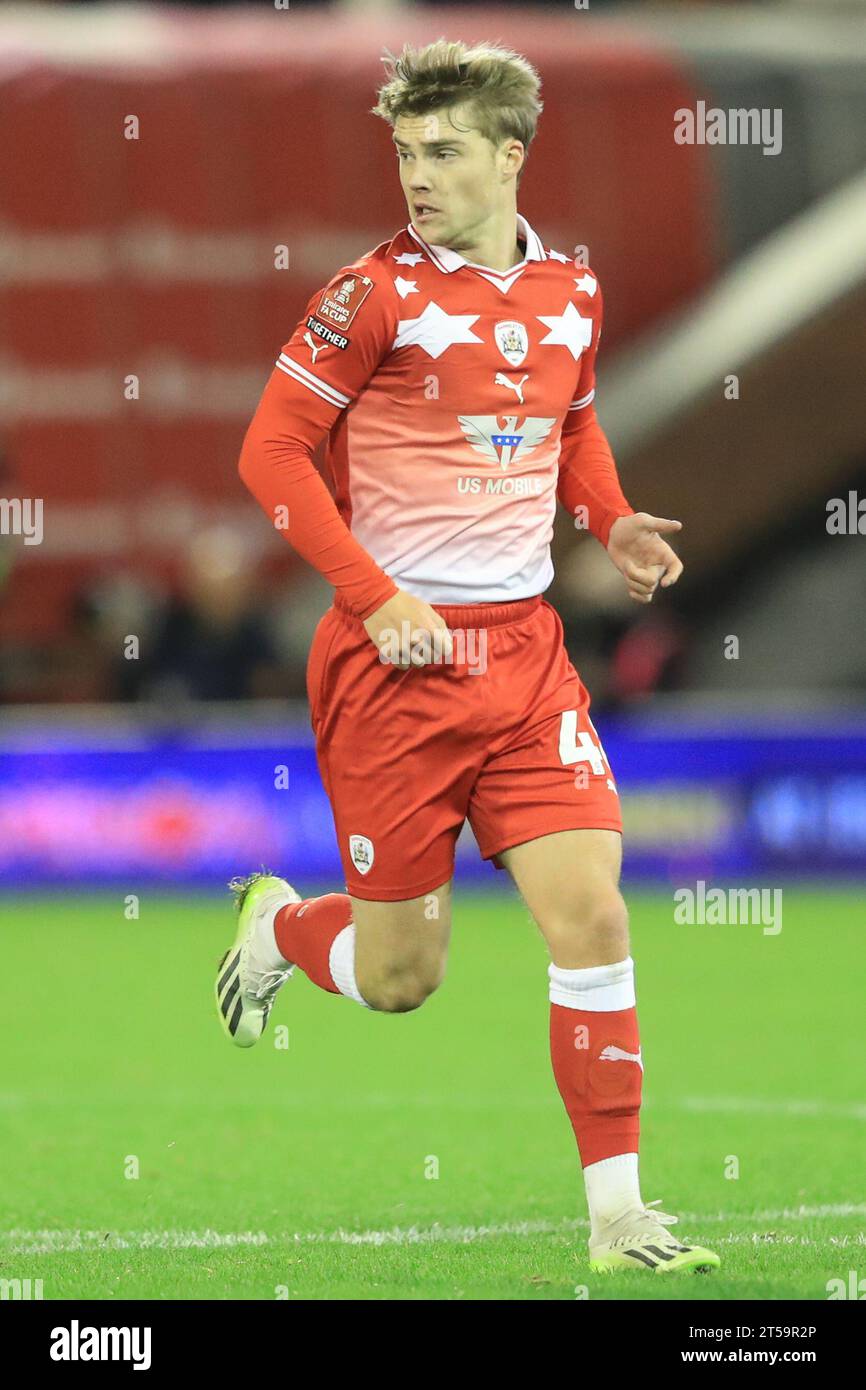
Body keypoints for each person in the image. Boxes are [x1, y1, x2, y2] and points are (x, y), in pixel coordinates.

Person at [216, 39, 718, 1275]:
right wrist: (373, 595)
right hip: (393, 667)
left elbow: (574, 418)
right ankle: (281, 931)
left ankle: (618, 1218)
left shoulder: (572, 290)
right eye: (403, 151)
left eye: (441, 151)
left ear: (509, 154)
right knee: (398, 980)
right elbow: (268, 457)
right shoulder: (367, 295)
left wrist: (608, 519)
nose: (416, 175)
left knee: (590, 912)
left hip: (525, 659)